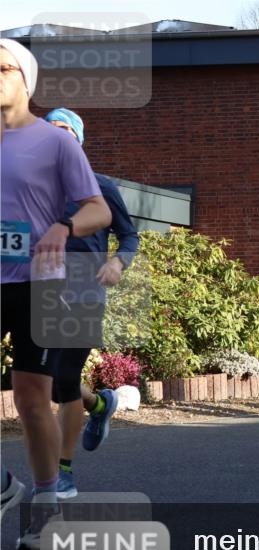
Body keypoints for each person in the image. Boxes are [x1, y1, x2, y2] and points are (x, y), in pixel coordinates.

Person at [1, 40, 112, 549]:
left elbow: (99, 209)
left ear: (27, 79)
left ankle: (46, 506)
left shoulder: (55, 142)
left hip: (40, 283)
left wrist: (63, 226)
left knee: (31, 398)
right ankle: (5, 487)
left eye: (3, 68)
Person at [45, 108, 140, 499]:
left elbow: (129, 236)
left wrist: (118, 261)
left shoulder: (100, 189)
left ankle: (62, 473)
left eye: (65, 130)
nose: (57, 136)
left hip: (86, 294)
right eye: (50, 130)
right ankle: (101, 405)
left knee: (62, 379)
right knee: (50, 384)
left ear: (78, 141)